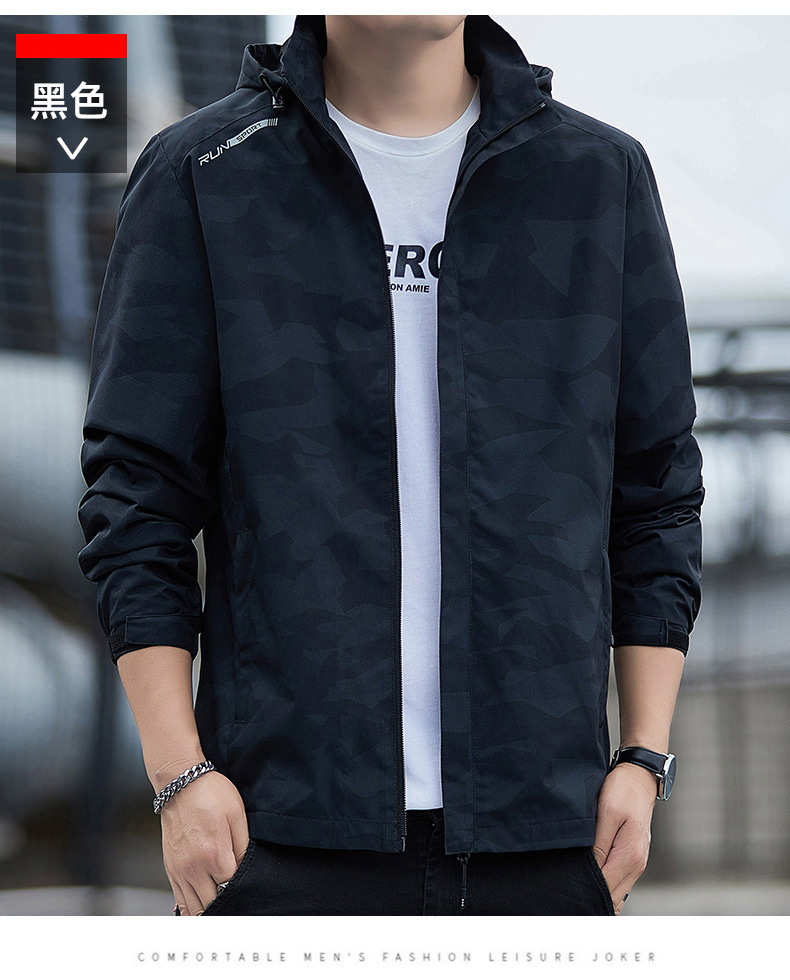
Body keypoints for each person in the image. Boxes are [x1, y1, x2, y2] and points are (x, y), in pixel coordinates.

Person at [77, 14, 704, 916]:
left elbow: (656, 491)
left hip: (545, 834)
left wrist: (642, 759)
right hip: (270, 831)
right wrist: (180, 776)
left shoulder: (596, 179)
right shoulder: (205, 172)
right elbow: (136, 498)